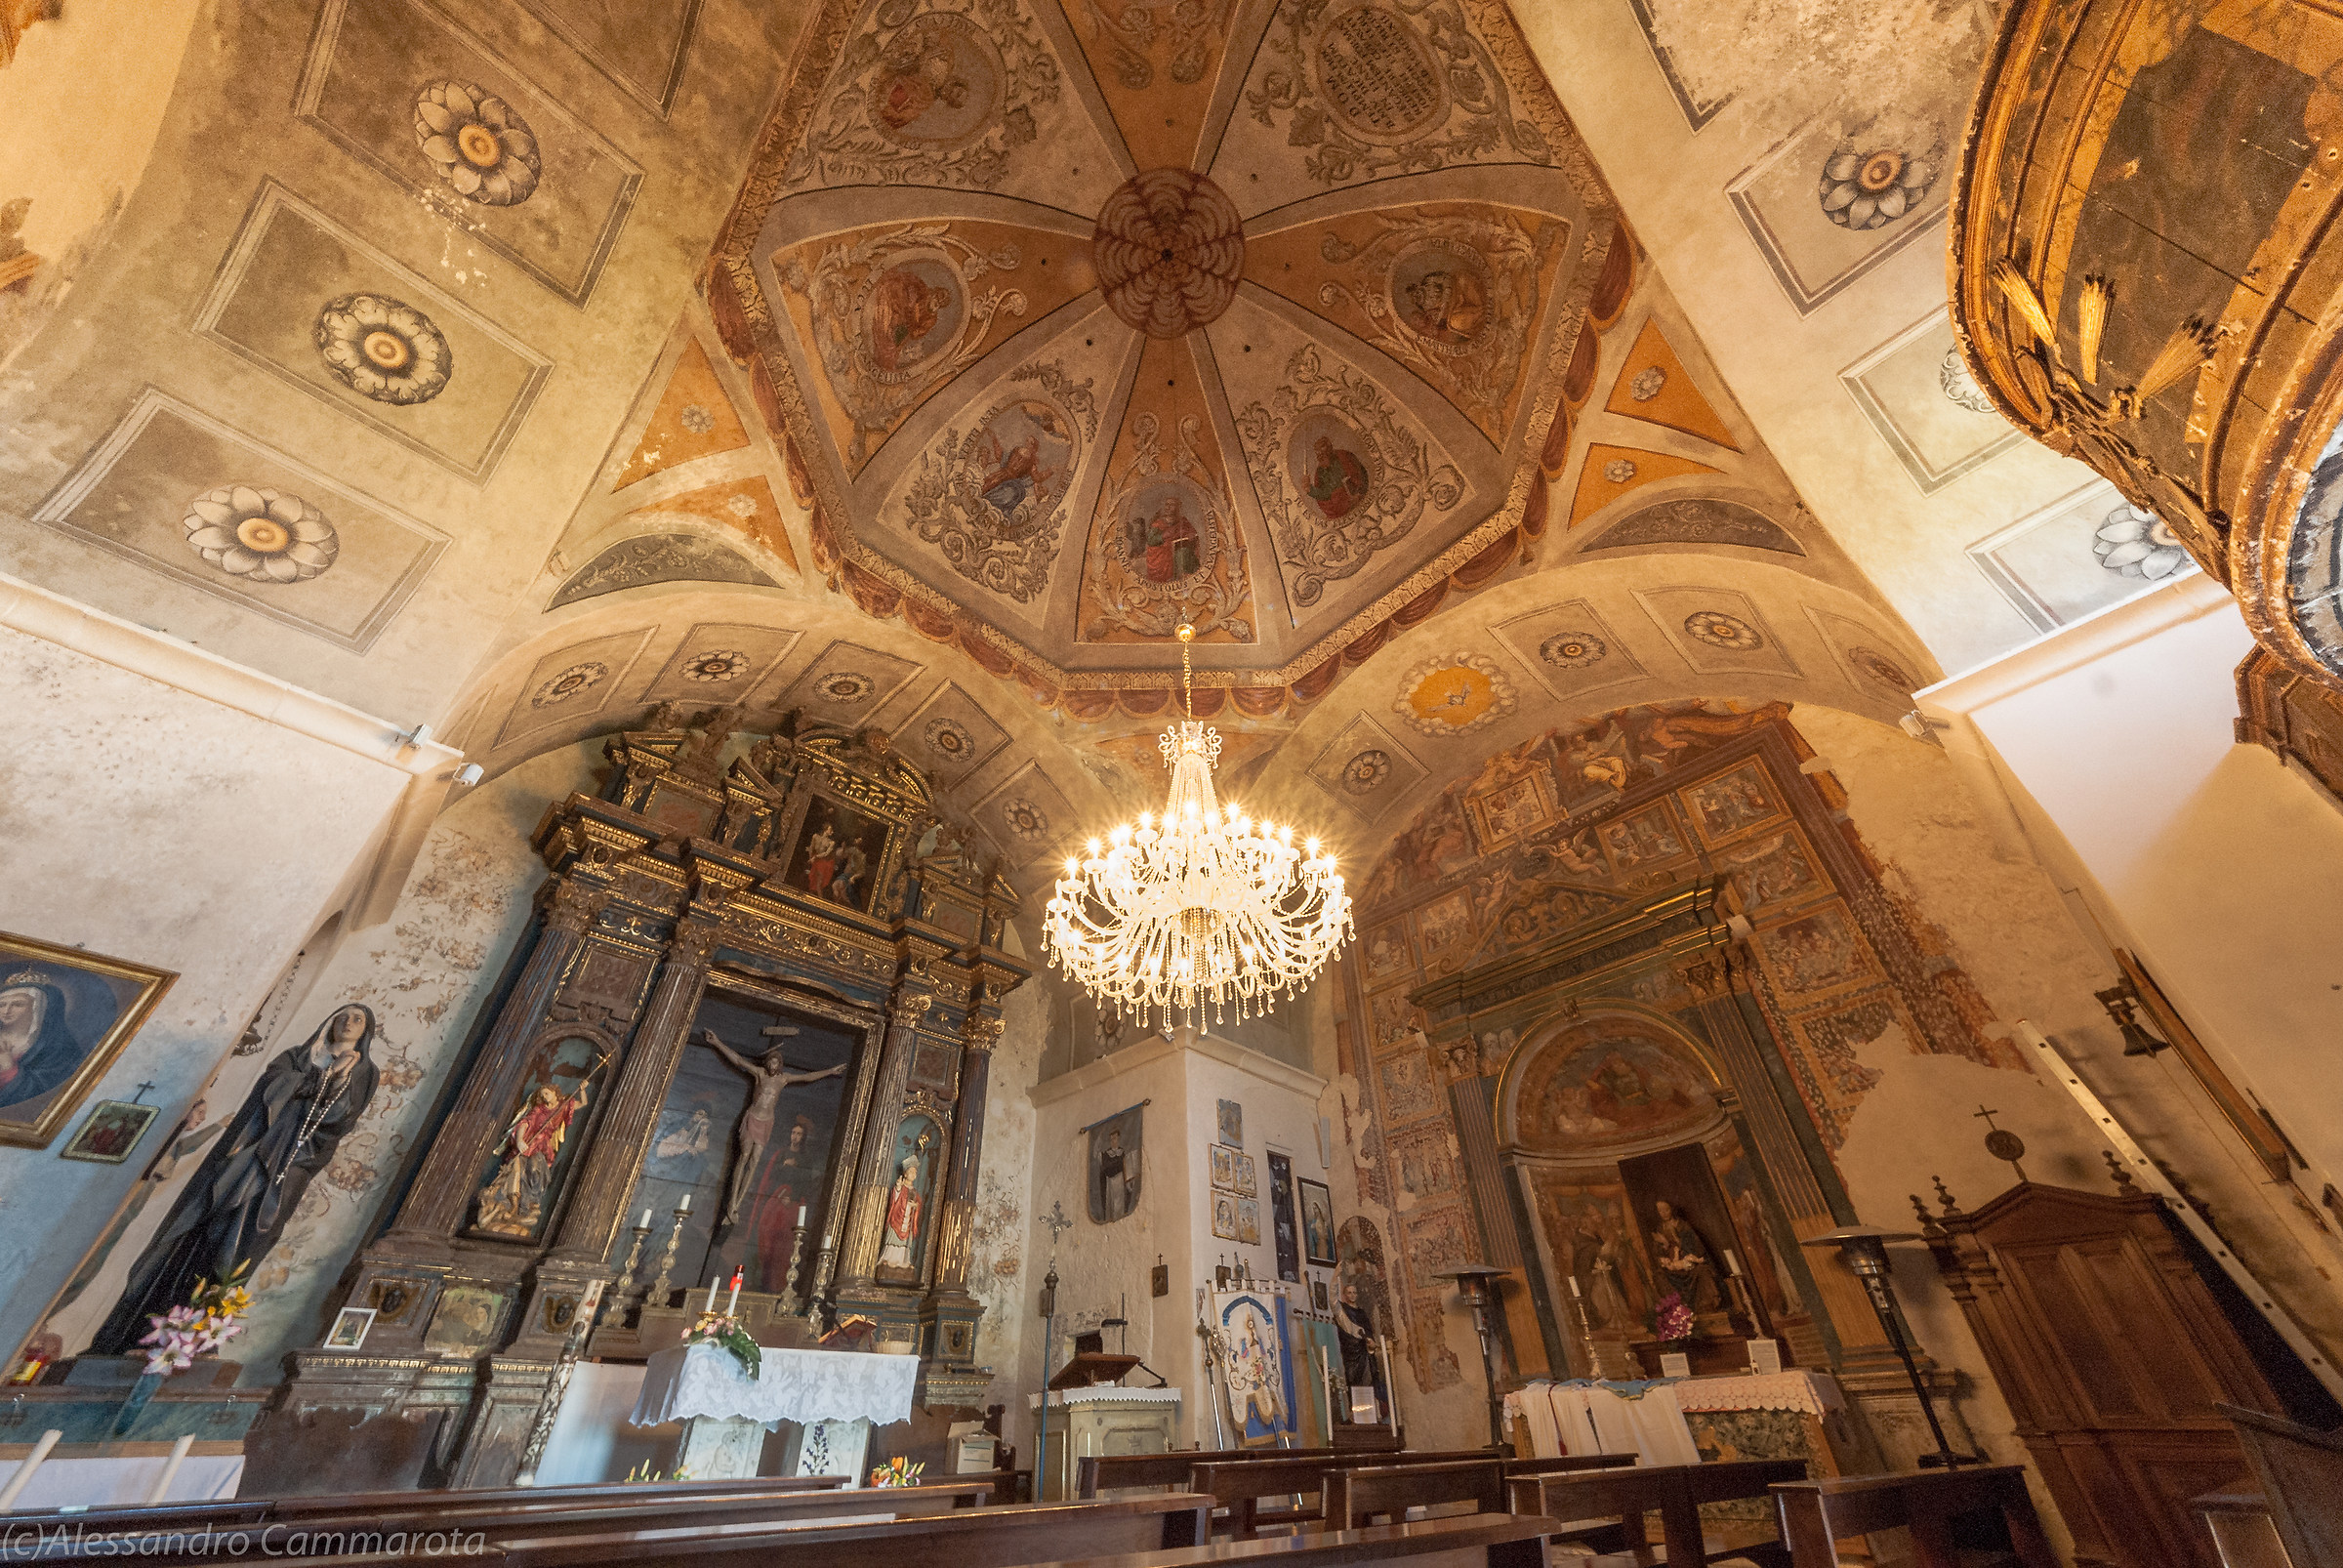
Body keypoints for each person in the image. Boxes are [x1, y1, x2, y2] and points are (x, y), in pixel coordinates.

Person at [95, 1005, 378, 1354]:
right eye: (343, 1016)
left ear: (366, 1033)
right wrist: (321, 1076)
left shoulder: (362, 1071)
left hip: (287, 1167)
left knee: (245, 1242)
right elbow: (272, 1091)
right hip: (246, 1157)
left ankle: (199, 1337)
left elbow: (339, 1120)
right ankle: (140, 1328)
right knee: (198, 1231)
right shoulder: (297, 1057)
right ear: (329, 1022)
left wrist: (335, 1080)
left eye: (358, 1020)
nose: (348, 1022)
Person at [703, 1027, 845, 1224]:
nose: (772, 1065)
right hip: (753, 1117)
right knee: (743, 1158)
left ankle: (736, 1206)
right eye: (770, 1061)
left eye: (775, 1062)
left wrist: (830, 1071)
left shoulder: (783, 1079)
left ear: (780, 1064)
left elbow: (807, 1077)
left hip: (766, 1122)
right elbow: (738, 1060)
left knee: (754, 1163)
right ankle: (731, 1202)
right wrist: (717, 1042)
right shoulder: (760, 1074)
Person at [474, 1069, 599, 1237]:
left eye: (547, 1093)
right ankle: (516, 1204)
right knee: (518, 1170)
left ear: (555, 1093)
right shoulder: (539, 1110)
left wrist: (583, 1089)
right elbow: (524, 1124)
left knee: (537, 1172)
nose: (545, 1097)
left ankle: (528, 1203)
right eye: (543, 1094)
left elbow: (582, 1104)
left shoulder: (564, 1105)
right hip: (531, 1142)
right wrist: (520, 1141)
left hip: (543, 1145)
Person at [0, 969, 88, 1112]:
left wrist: (8, 1067)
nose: (6, 1010)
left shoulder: (59, 1048)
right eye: (2, 1004)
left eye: (18, 1004)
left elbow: (42, 1096)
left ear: (37, 1008)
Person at [1648, 1199, 1722, 1311]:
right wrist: (1665, 1254)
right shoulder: (1659, 1230)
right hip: (1672, 1267)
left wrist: (1681, 1249)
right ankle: (1676, 1309)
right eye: (1660, 1211)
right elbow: (1657, 1253)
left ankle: (1707, 1305)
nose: (1664, 1213)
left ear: (1671, 1209)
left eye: (1666, 1210)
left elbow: (1696, 1247)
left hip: (1688, 1264)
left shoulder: (1683, 1226)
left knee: (1703, 1271)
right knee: (1659, 1276)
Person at [1305, 434, 1370, 520]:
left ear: (1330, 450)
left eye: (1323, 453)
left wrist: (1358, 495)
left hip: (1359, 502)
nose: (1321, 457)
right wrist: (1310, 490)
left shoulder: (1345, 457)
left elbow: (1362, 475)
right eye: (1319, 455)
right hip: (1340, 512)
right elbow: (1324, 494)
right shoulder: (1320, 472)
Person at [879, 1153, 924, 1270]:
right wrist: (898, 1188)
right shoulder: (900, 1186)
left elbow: (918, 1202)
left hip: (908, 1219)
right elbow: (895, 1197)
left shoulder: (914, 1191)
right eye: (911, 1172)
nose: (913, 1175)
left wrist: (915, 1205)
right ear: (905, 1173)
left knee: (905, 1244)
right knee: (893, 1238)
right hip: (897, 1218)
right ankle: (888, 1258)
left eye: (915, 1173)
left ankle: (903, 1261)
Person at [1095, 1124, 1132, 1219]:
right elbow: (1095, 1153)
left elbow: (1126, 1169)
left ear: (1118, 1138)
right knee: (1110, 1206)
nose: (1113, 1141)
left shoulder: (1122, 1153)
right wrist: (1099, 1137)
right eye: (1111, 1139)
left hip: (1119, 1182)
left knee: (1119, 1205)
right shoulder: (1106, 1154)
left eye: (1115, 1138)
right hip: (1109, 1183)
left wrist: (1128, 1185)